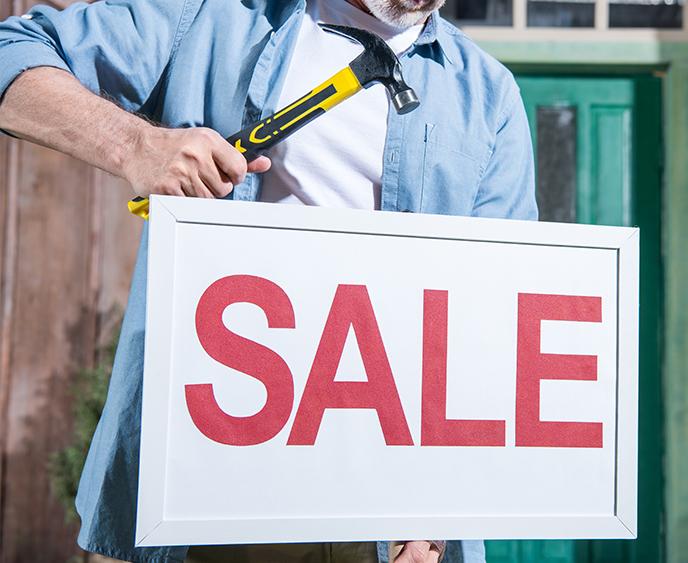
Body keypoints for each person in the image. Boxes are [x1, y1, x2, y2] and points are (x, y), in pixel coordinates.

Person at [0, 0, 536, 561]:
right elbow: (11, 55)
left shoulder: (489, 96)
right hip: (213, 472)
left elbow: (492, 317)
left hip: (384, 502)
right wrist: (137, 146)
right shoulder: (210, 18)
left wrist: (437, 513)